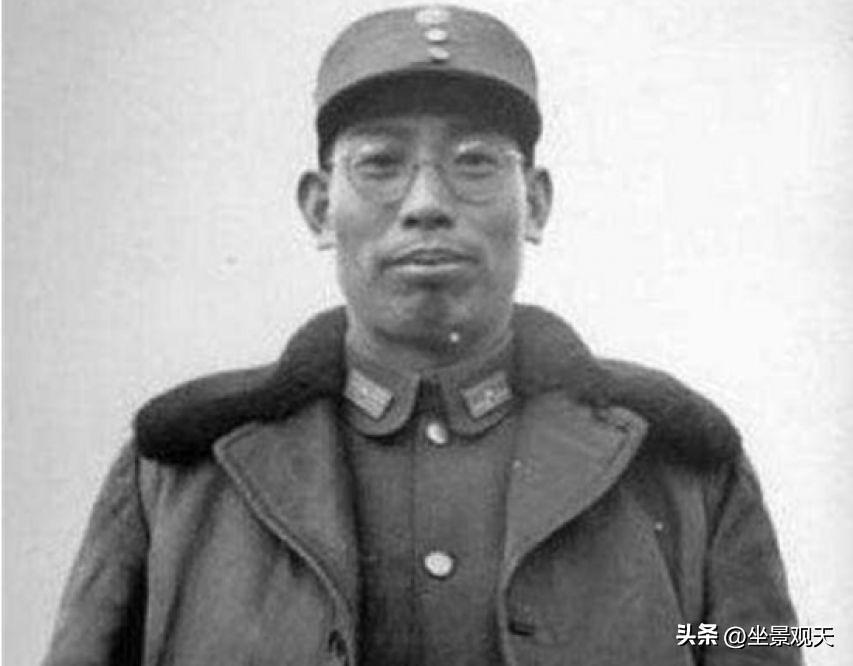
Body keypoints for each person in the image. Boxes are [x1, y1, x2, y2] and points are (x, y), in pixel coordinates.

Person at [43, 5, 802, 665]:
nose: (427, 202)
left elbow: (777, 645)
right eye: (380, 163)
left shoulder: (682, 464)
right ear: (319, 208)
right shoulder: (177, 474)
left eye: (475, 162)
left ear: (535, 203)